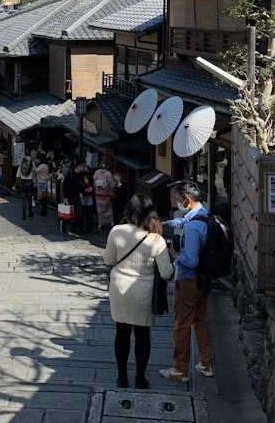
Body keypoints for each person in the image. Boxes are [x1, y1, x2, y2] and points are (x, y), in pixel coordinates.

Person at [104, 194, 174, 390]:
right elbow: (167, 273)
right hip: (144, 292)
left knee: (122, 332)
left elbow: (108, 260)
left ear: (129, 210)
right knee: (143, 335)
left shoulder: (116, 232)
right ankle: (140, 378)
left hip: (120, 289)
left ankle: (122, 377)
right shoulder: (156, 239)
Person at [159, 181, 215, 382]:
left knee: (182, 324)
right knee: (200, 320)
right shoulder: (206, 216)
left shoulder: (192, 227)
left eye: (179, 199)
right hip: (204, 278)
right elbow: (184, 221)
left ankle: (180, 370)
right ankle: (206, 364)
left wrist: (175, 255)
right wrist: (168, 224)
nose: (178, 203)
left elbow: (190, 260)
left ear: (187, 200)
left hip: (188, 279)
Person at [60, 163, 85, 236]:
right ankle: (64, 222)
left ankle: (72, 229)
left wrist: (81, 191)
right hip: (70, 196)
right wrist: (65, 197)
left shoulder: (81, 175)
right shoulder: (70, 174)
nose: (83, 168)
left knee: (78, 214)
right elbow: (65, 185)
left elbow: (81, 185)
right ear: (79, 166)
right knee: (70, 214)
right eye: (83, 166)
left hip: (77, 196)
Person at [93, 161, 117, 229]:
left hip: (98, 193)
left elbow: (94, 182)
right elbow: (111, 184)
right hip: (106, 193)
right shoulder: (108, 174)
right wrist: (115, 183)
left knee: (99, 209)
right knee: (108, 208)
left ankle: (101, 223)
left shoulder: (96, 173)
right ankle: (110, 221)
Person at [17, 155, 36, 220]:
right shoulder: (31, 167)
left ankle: (24, 215)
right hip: (29, 183)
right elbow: (35, 172)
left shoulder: (21, 167)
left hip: (23, 183)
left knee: (24, 200)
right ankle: (30, 212)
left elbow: (17, 175)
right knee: (30, 199)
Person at [79, 168, 96, 234]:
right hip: (83, 197)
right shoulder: (80, 179)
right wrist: (84, 190)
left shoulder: (90, 179)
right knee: (82, 214)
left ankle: (89, 228)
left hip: (89, 197)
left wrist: (90, 189)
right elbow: (80, 188)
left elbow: (92, 187)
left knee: (89, 214)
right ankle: (81, 228)